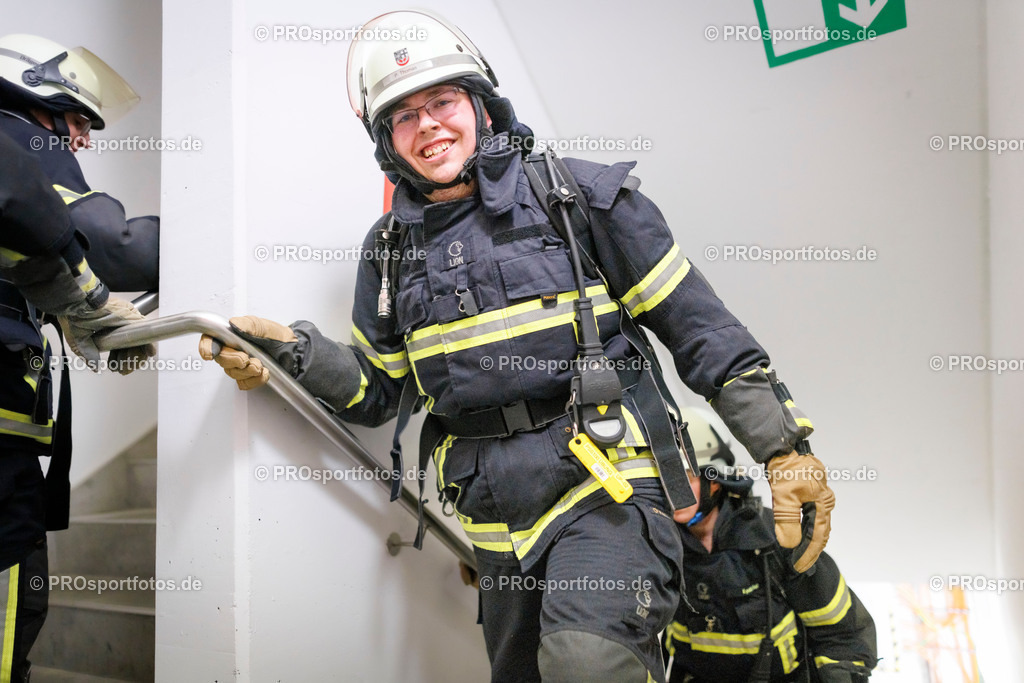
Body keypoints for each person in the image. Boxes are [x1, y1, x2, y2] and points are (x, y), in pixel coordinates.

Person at [200, 10, 835, 682]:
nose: (429, 126)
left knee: (587, 666)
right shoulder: (388, 253)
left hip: (608, 492)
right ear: (387, 141)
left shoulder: (582, 199)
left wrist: (785, 450)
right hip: (496, 527)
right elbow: (377, 389)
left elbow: (701, 329)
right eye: (405, 116)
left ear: (480, 105)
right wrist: (288, 355)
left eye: (442, 101)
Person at [0, 129, 154, 683]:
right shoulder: (16, 141)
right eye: (73, 120)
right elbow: (115, 243)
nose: (81, 138)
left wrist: (54, 301)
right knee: (9, 622)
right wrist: (84, 298)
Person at [664, 408, 876, 683]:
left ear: (713, 482)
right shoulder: (660, 546)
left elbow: (843, 636)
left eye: (682, 477)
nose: (669, 491)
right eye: (663, 479)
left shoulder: (776, 537)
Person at [0, 33, 159, 293]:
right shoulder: (28, 144)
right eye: (79, 124)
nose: (84, 141)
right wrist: (181, 239)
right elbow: (105, 243)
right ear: (36, 93)